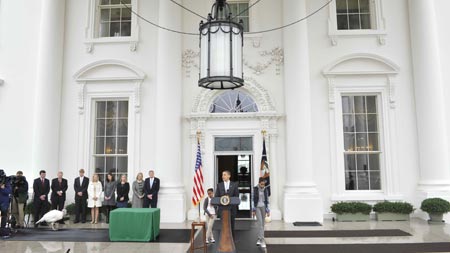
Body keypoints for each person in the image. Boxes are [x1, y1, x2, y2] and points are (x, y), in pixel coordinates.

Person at [215, 170, 239, 238]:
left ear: (229, 176)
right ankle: (223, 238)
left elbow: (236, 196)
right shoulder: (219, 185)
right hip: (222, 209)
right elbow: (217, 196)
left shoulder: (234, 185)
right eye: (222, 175)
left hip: (231, 209)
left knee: (231, 224)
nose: (223, 176)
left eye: (225, 175)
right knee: (223, 224)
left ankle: (232, 239)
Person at [252, 177, 270, 248]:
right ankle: (261, 239)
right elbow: (252, 199)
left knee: (263, 224)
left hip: (264, 207)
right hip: (257, 207)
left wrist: (268, 210)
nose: (263, 185)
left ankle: (260, 238)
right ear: (259, 183)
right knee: (260, 224)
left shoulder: (265, 189)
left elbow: (267, 200)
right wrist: (253, 210)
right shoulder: (255, 189)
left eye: (264, 184)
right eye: (261, 184)